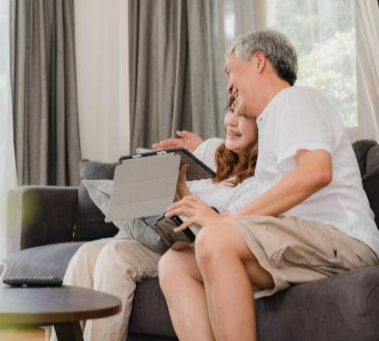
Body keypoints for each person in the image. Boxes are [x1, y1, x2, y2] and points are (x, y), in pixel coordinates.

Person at [158, 30, 379, 341]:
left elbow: (316, 172)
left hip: (344, 240)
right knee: (176, 264)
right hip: (297, 244)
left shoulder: (295, 100)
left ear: (259, 62)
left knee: (216, 239)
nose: (229, 86)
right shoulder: (269, 124)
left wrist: (227, 222)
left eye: (231, 71)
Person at [57, 96, 263, 341]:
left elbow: (226, 233)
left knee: (115, 256)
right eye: (231, 110)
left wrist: (183, 195)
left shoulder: (257, 184)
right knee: (85, 256)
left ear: (263, 127)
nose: (231, 121)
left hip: (186, 246)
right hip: (158, 232)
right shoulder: (214, 152)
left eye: (243, 116)